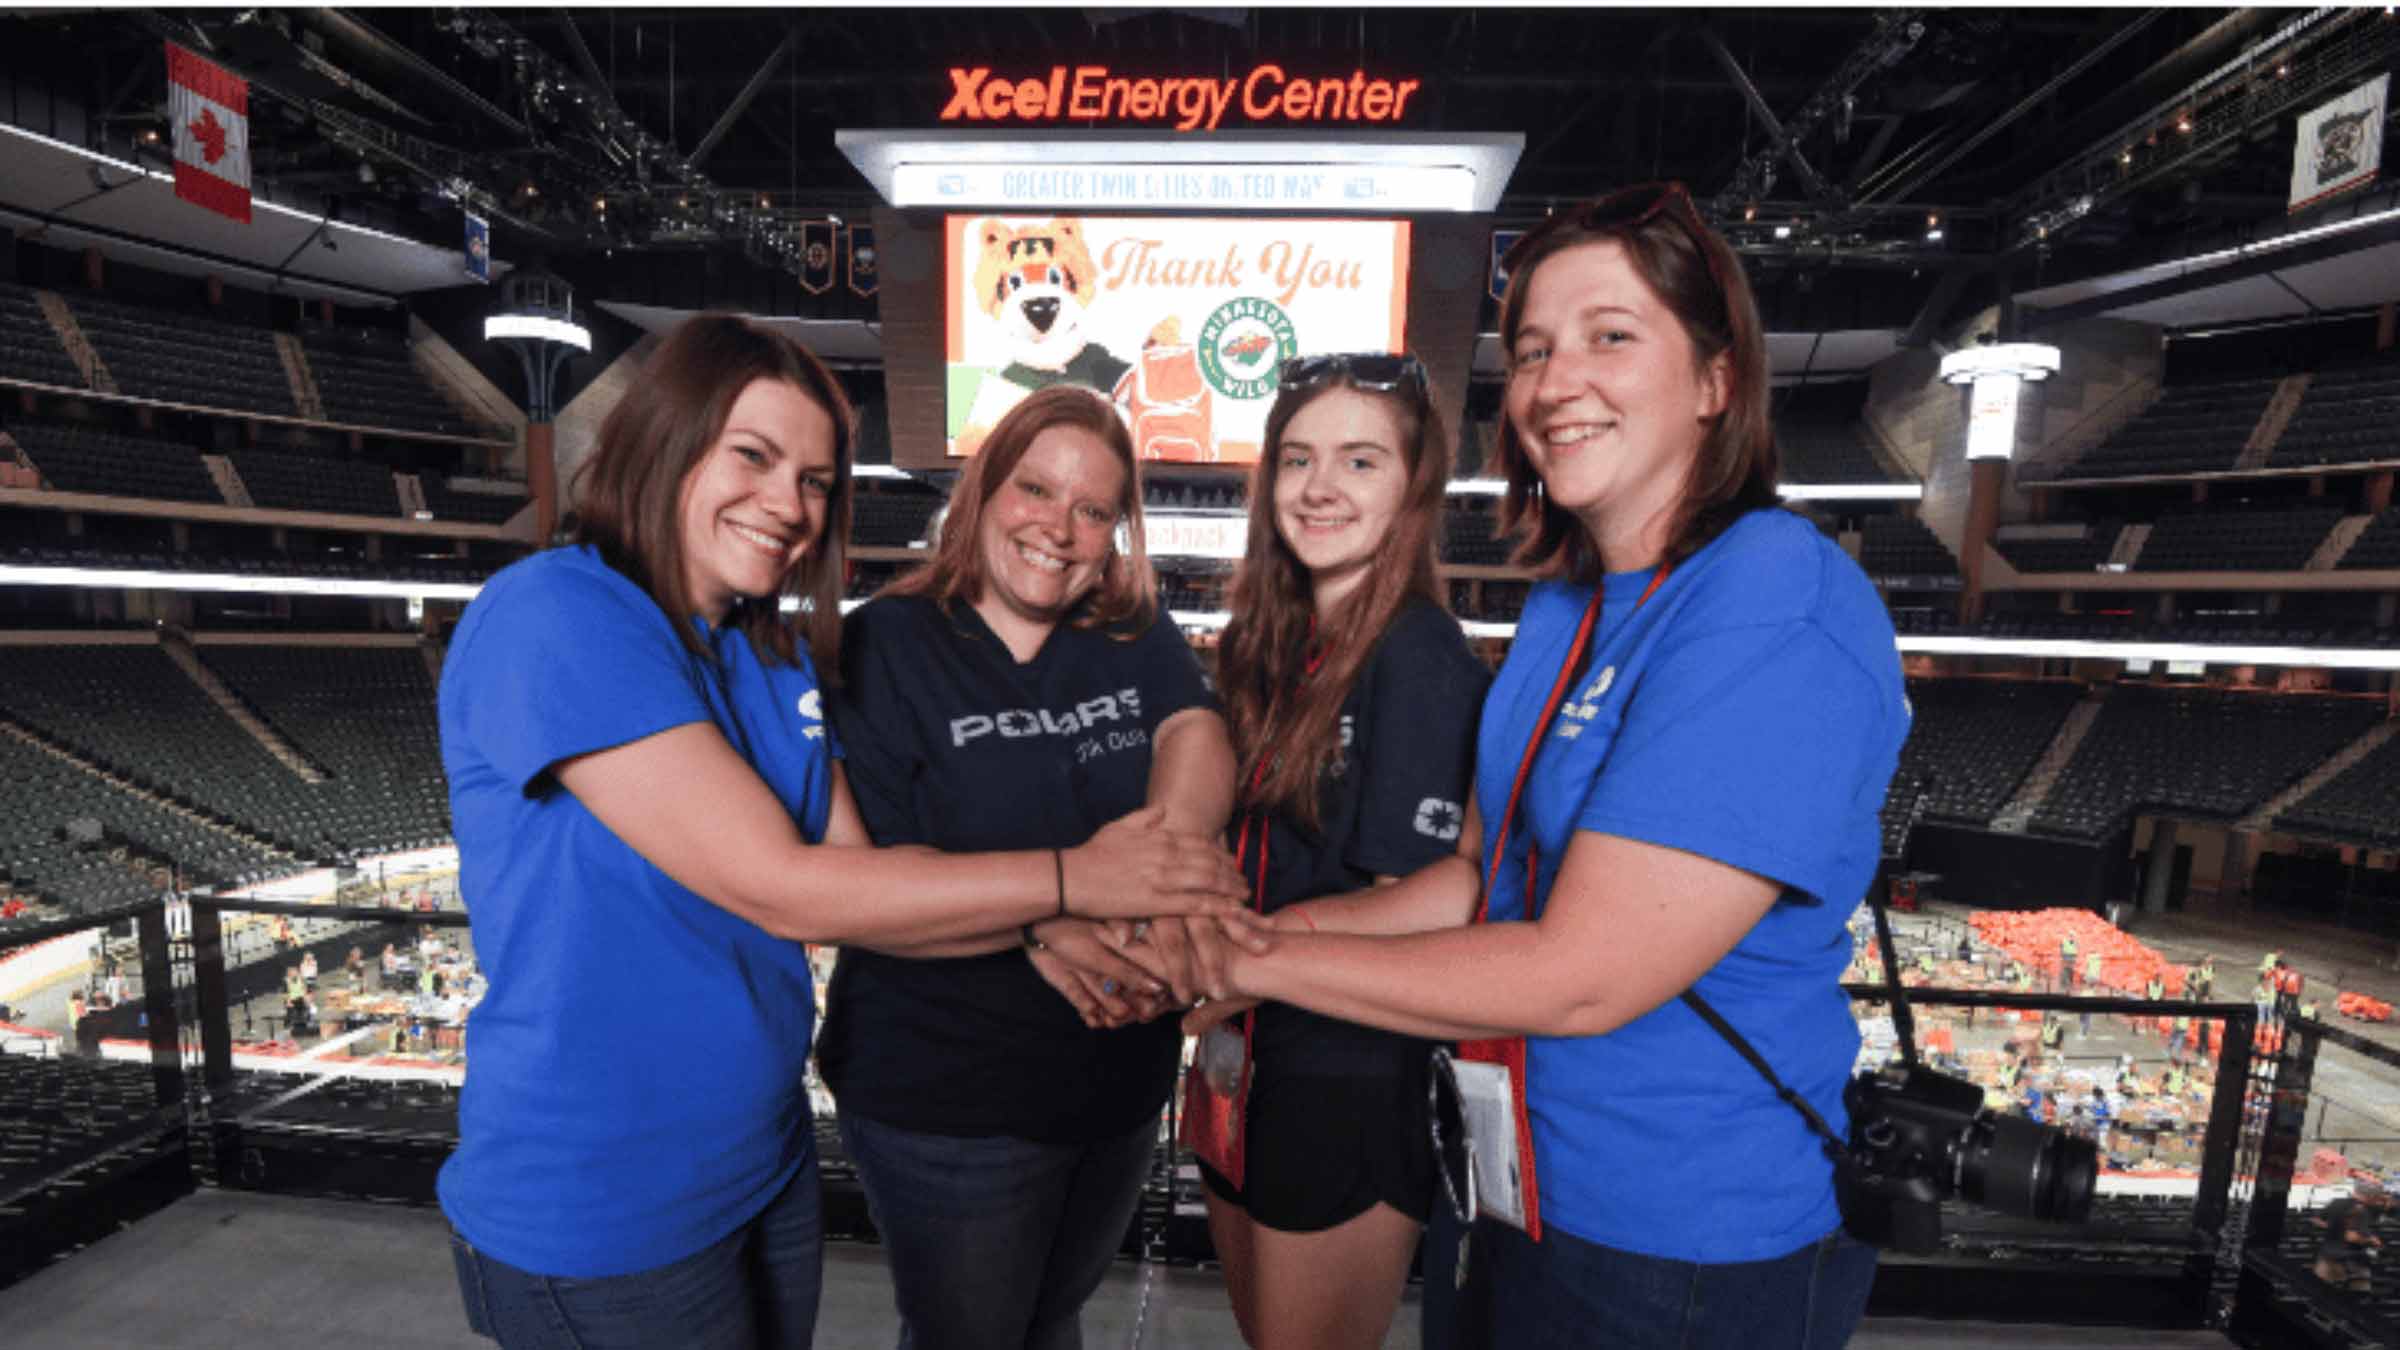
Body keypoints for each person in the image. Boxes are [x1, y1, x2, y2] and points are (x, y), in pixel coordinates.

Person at [1185, 181, 1906, 1348]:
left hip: (1682, 1236)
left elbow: (1583, 976)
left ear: (1718, 381)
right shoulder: (1566, 606)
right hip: (1507, 1183)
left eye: (1610, 337)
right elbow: (1474, 874)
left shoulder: (1778, 599)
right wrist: (1258, 944)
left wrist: (1251, 965)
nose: (1555, 382)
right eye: (1531, 350)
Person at [436, 318, 1246, 1350]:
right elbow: (789, 888)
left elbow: (869, 874)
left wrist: (1061, 927)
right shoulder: (556, 611)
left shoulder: (766, 653)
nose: (788, 504)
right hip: (604, 1192)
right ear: (667, 439)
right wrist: (1076, 879)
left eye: (816, 481)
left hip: (757, 1159)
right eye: (754, 457)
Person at [820, 382, 1248, 1350]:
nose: (1060, 527)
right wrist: (1048, 918)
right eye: (1035, 489)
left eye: (1093, 509)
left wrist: (1149, 901)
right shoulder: (883, 643)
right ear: (982, 491)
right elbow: (876, 872)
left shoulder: (1130, 632)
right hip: (949, 1097)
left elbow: (1195, 732)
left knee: (1054, 1321)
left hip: (1116, 1081)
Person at [1192, 351, 1489, 1350]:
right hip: (1245, 1062)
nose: (1319, 488)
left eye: (1360, 462)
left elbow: (1436, 897)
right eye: (1297, 459)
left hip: (1348, 1074)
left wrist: (1249, 955)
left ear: (1414, 488)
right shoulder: (1268, 648)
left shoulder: (1416, 653)